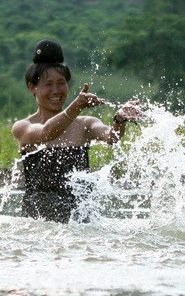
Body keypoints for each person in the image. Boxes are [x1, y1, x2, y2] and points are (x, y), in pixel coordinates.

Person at [11, 39, 140, 223]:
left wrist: (120, 118)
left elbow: (113, 137)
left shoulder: (85, 124)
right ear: (33, 87)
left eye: (61, 83)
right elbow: (47, 133)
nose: (56, 91)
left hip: (81, 223)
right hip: (38, 223)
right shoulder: (23, 127)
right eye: (48, 84)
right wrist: (76, 106)